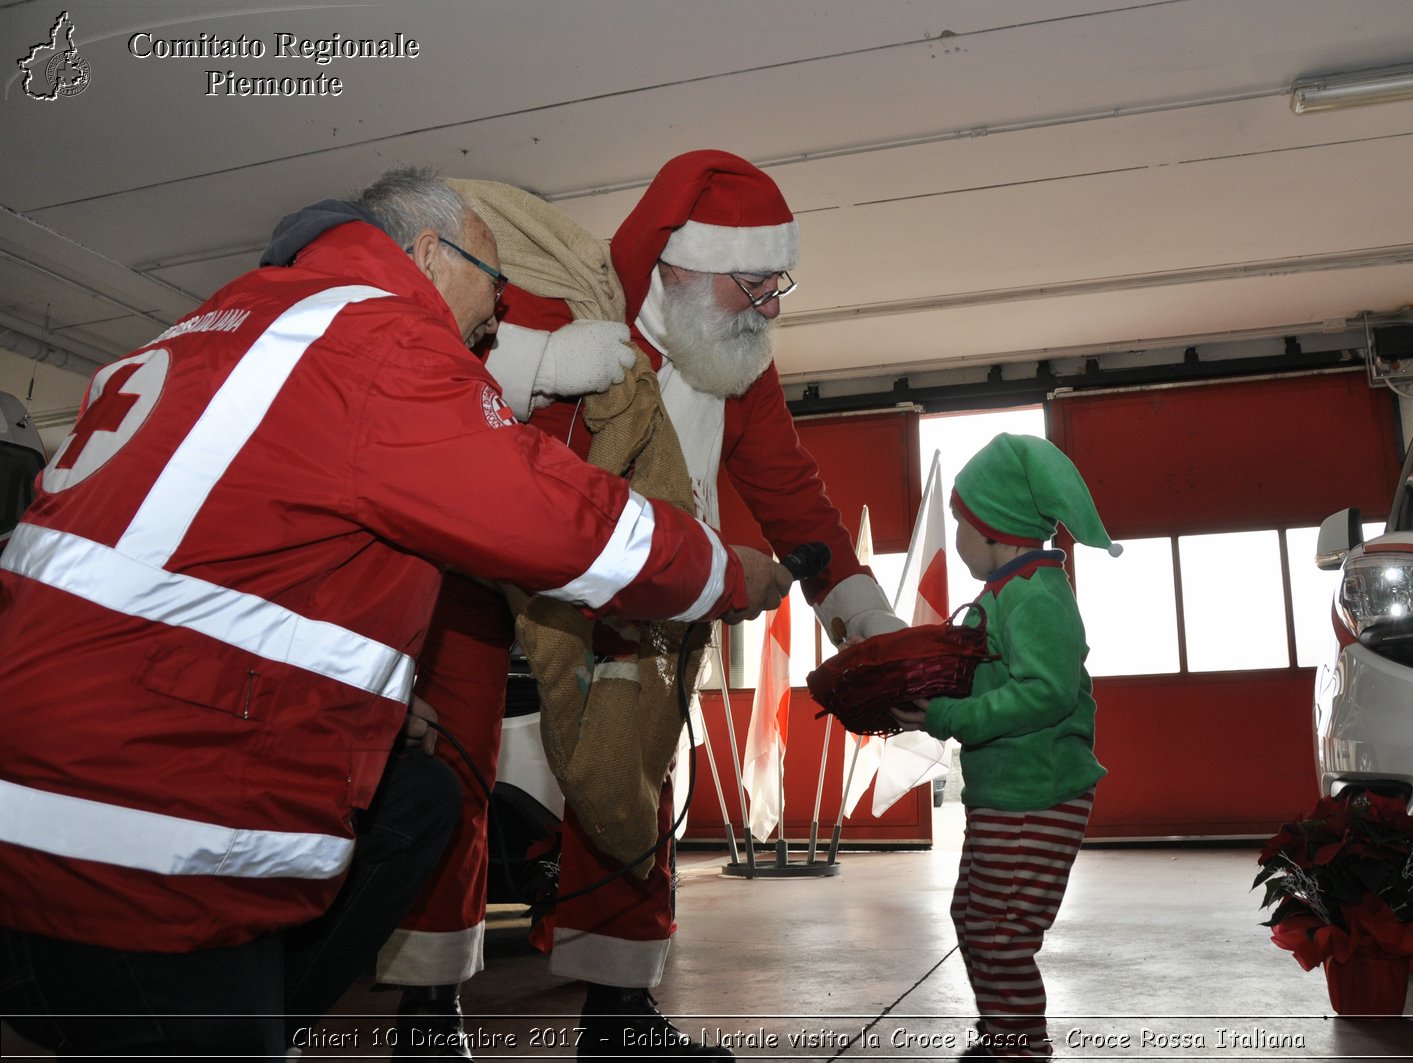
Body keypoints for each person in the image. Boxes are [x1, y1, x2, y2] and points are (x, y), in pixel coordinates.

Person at [0, 167, 789, 1059]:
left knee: (416, 798)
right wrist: (726, 573)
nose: (498, 315)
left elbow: (217, 555)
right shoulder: (379, 340)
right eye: (493, 284)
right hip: (130, 836)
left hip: (30, 783)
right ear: (425, 252)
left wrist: (377, 700)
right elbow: (570, 525)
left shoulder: (215, 326)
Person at [376, 151, 906, 1059]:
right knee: (452, 761)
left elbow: (792, 496)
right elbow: (441, 373)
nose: (772, 306)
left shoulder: (740, 364)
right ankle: (427, 1012)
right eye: (754, 284)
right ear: (680, 267)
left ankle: (619, 1015)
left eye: (780, 283)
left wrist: (867, 619)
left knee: (634, 772)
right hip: (483, 566)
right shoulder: (560, 310)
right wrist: (539, 362)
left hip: (633, 583)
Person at [890, 433, 1121, 1060]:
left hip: (1038, 793)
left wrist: (946, 714)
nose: (958, 536)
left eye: (962, 524)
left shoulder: (1037, 597)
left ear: (997, 531)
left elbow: (1045, 695)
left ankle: (1018, 1047)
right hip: (1006, 794)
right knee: (976, 919)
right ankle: (1002, 1034)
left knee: (1002, 932)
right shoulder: (1002, 595)